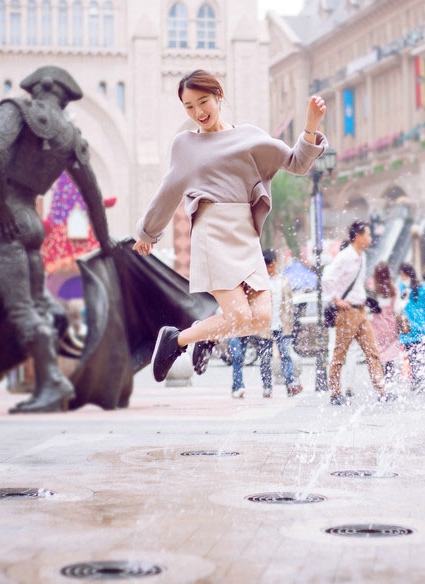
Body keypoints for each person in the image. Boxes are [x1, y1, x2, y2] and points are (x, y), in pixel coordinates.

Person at [133, 70, 327, 382]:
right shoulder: (185, 145)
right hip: (213, 233)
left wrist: (310, 127)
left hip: (245, 235)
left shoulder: (249, 136)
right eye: (189, 106)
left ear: (219, 97)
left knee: (261, 317)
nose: (198, 112)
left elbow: (297, 163)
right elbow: (168, 191)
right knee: (238, 316)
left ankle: (201, 335)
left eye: (203, 101)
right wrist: (147, 233)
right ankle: (176, 341)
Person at [0, 65, 117, 413]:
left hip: (11, 217)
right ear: (62, 95)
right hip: (32, 222)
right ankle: (49, 382)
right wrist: (105, 242)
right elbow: (92, 194)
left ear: (38, 88)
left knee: (23, 307)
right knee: (38, 305)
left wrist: (0, 209)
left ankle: (52, 383)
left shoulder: (15, 110)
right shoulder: (71, 137)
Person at [323, 221, 394, 405]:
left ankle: (382, 390)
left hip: (361, 312)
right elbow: (327, 277)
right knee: (340, 353)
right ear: (358, 237)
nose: (371, 238)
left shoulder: (361, 256)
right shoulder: (345, 257)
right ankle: (335, 393)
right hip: (347, 312)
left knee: (372, 352)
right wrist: (336, 299)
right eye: (368, 235)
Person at [257, 249, 304, 398]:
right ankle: (267, 387)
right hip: (265, 326)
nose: (269, 269)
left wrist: (290, 324)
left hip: (283, 326)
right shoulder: (261, 282)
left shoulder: (284, 280)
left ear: (275, 263)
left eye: (270, 265)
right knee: (265, 358)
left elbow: (289, 304)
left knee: (286, 355)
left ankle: (290, 384)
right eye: (266, 266)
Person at [397, 264, 425, 393]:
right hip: (421, 327)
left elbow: (397, 308)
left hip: (408, 328)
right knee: (419, 356)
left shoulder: (400, 287)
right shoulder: (423, 287)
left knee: (412, 356)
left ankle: (416, 382)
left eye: (401, 273)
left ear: (404, 273)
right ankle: (418, 381)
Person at [369, 262, 404, 387]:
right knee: (390, 357)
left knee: (378, 355)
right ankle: (389, 384)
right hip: (390, 326)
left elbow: (369, 310)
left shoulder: (373, 290)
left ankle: (381, 384)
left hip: (376, 327)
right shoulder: (394, 289)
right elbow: (396, 309)